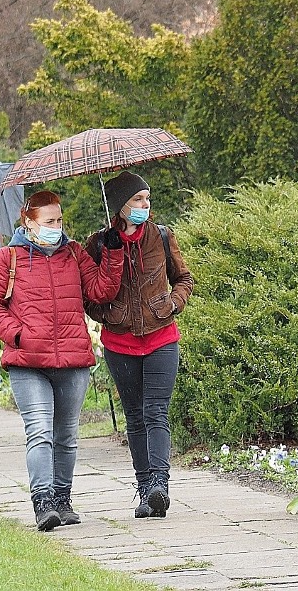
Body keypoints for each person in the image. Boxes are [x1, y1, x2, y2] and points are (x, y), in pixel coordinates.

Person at [0, 190, 124, 531]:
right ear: (28, 223)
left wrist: (113, 251)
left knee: (67, 436)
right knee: (40, 431)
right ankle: (43, 503)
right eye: (49, 222)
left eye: (59, 220)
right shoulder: (7, 258)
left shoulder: (73, 254)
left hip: (72, 360)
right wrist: (17, 334)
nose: (56, 227)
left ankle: (63, 500)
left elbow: (101, 291)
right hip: (28, 362)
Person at [84, 171, 194, 519]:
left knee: (155, 411)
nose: (146, 205)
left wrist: (172, 303)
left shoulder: (161, 236)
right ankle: (145, 489)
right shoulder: (98, 244)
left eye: (147, 198)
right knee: (134, 416)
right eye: (138, 200)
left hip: (162, 337)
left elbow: (184, 278)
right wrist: (110, 314)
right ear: (120, 206)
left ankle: (160, 484)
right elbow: (89, 296)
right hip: (120, 343)